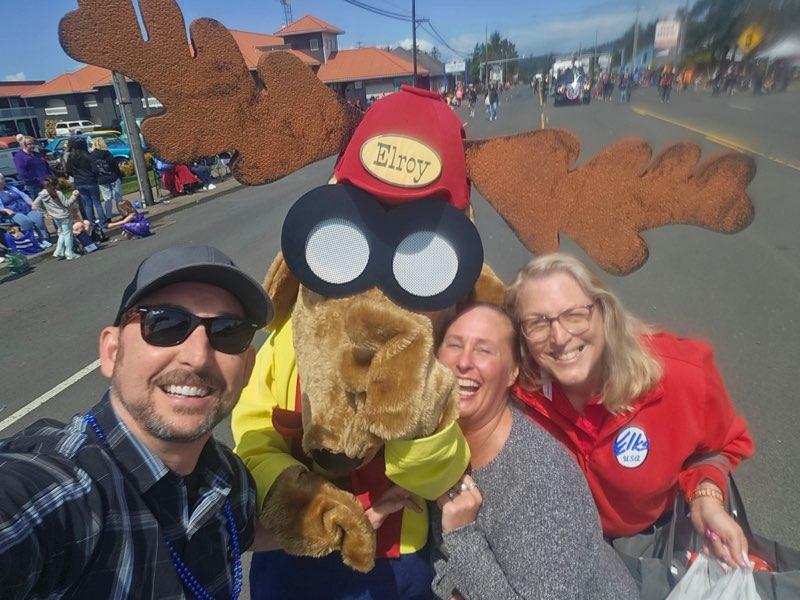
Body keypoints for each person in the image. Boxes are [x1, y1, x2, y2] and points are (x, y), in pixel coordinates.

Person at [0, 244, 272, 599]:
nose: (197, 356)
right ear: (112, 352)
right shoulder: (61, 490)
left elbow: (260, 531)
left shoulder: (230, 482)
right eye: (165, 323)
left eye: (228, 332)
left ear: (248, 367)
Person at [505, 253, 755, 571]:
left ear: (604, 313)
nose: (560, 336)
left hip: (651, 541)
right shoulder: (518, 390)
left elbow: (719, 445)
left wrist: (707, 497)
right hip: (564, 547)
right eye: (538, 323)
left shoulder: (681, 375)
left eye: (575, 315)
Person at [431, 304, 637, 600]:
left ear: (513, 372)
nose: (464, 362)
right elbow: (443, 557)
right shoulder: (440, 439)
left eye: (484, 350)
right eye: (454, 345)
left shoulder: (539, 480)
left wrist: (462, 537)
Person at [31, 175, 80, 260]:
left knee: (61, 233)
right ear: (55, 184)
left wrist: (45, 213)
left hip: (54, 216)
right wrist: (74, 196)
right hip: (64, 216)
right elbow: (67, 204)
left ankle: (59, 251)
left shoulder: (42, 194)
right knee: (68, 234)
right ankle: (69, 252)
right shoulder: (58, 193)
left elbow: (35, 205)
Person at [65, 137, 108, 227]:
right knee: (97, 202)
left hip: (79, 182)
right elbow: (95, 169)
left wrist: (76, 175)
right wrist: (93, 176)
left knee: (87, 204)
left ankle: (91, 223)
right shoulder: (88, 155)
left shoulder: (71, 156)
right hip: (90, 180)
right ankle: (103, 221)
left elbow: (68, 170)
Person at [0, 173, 51, 246]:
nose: (2, 183)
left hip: (26, 208)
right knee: (26, 222)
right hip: (13, 213)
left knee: (37, 218)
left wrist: (32, 203)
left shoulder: (11, 187)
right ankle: (33, 241)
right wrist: (5, 210)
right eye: (1, 182)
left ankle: (43, 239)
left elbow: (24, 196)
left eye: (2, 180)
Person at [90, 136, 124, 218]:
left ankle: (108, 217)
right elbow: (115, 166)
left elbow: (94, 169)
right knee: (118, 197)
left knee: (107, 199)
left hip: (102, 179)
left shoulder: (92, 156)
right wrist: (120, 176)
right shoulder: (108, 153)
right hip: (113, 177)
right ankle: (123, 214)